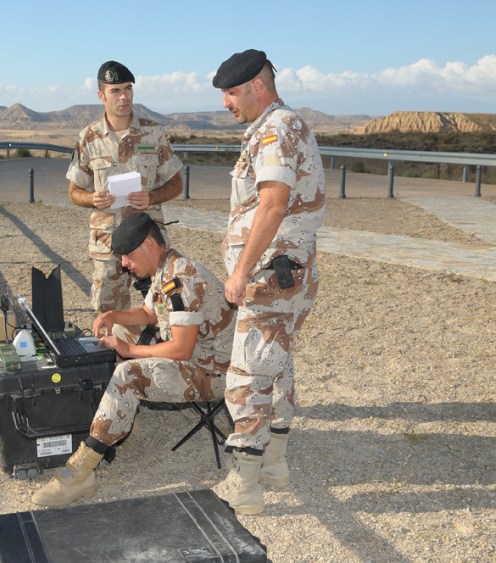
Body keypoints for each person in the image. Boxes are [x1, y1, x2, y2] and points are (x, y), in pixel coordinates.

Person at [31, 212, 235, 507]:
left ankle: (83, 469)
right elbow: (151, 314)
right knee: (119, 329)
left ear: (149, 245)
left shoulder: (181, 279)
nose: (124, 264)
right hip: (198, 360)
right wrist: (113, 315)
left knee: (129, 373)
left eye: (127, 255)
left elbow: (181, 349)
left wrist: (130, 352)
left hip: (214, 373)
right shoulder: (166, 268)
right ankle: (117, 414)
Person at [210, 49, 326, 515]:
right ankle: (275, 461)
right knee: (276, 364)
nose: (226, 103)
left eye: (233, 93)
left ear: (258, 85)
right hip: (286, 273)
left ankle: (246, 482)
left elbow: (274, 203)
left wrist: (239, 273)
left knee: (247, 374)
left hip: (267, 278)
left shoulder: (276, 129)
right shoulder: (275, 126)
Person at [66, 60, 184, 314]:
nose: (124, 96)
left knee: (163, 309)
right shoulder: (89, 137)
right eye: (115, 91)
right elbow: (74, 192)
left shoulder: (153, 133)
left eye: (128, 89)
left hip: (148, 238)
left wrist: (152, 196)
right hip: (107, 243)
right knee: (109, 315)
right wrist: (93, 199)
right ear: (101, 96)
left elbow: (176, 184)